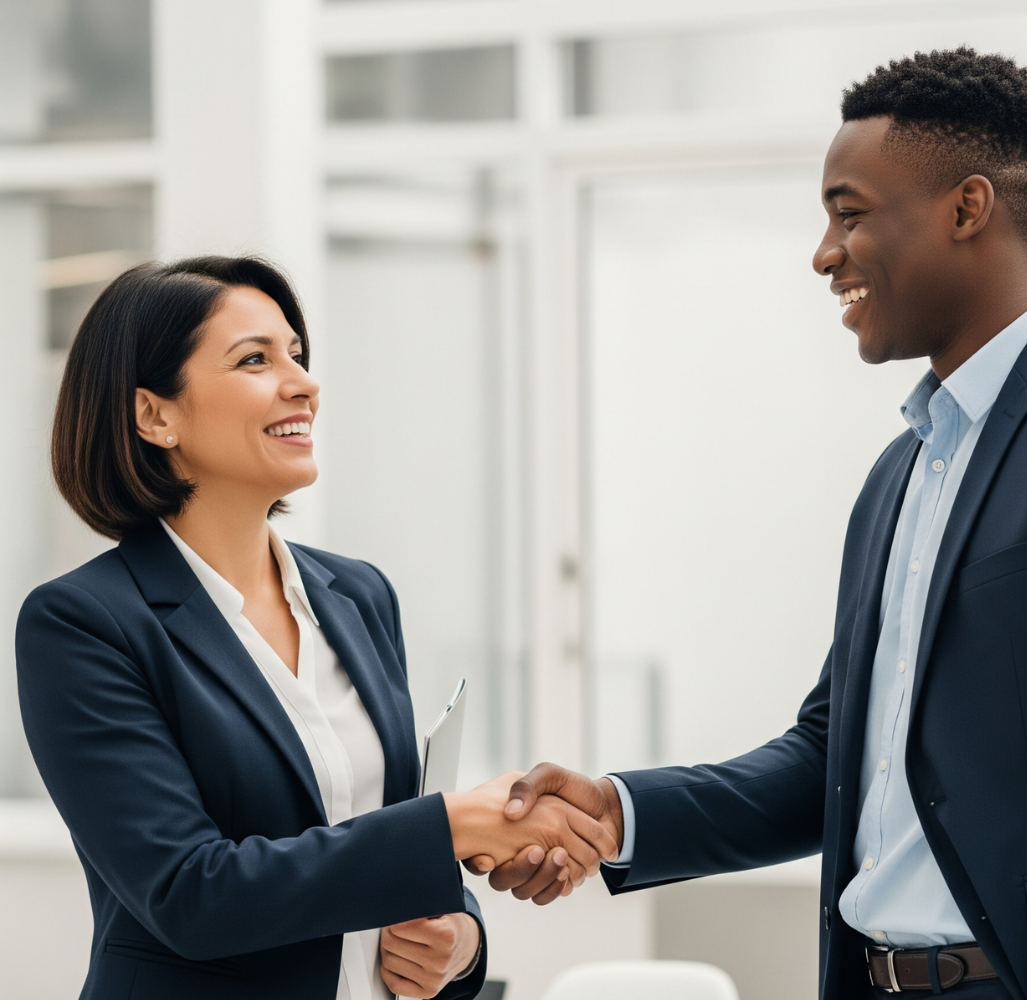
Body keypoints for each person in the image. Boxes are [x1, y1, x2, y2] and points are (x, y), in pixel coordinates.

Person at [469, 48, 1027, 999]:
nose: (823, 253)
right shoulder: (902, 471)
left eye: (848, 214)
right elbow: (833, 755)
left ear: (967, 208)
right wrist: (616, 812)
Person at [16, 256, 616, 1000]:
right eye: (255, 360)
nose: (303, 382)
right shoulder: (84, 623)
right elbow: (190, 895)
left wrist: (456, 942)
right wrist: (450, 827)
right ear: (155, 415)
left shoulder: (358, 595)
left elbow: (381, 836)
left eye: (297, 354)